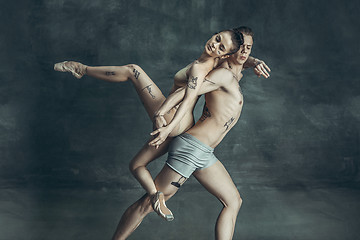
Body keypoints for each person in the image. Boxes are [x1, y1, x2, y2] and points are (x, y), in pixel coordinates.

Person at [54, 28, 264, 220]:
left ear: (224, 54)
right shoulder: (216, 61)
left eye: (221, 47)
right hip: (179, 123)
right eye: (217, 39)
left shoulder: (202, 68)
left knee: (133, 71)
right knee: (136, 165)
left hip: (175, 119)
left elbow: (188, 98)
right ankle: (156, 196)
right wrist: (253, 61)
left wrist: (165, 123)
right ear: (215, 34)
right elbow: (238, 59)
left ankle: (82, 69)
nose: (214, 45)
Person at [109, 26, 271, 240]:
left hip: (205, 153)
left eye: (248, 49)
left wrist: (255, 62)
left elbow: (243, 61)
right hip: (191, 149)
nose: (244, 53)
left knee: (233, 201)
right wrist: (163, 112)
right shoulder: (223, 74)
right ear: (229, 52)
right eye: (241, 49)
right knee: (147, 204)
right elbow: (187, 92)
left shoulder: (236, 72)